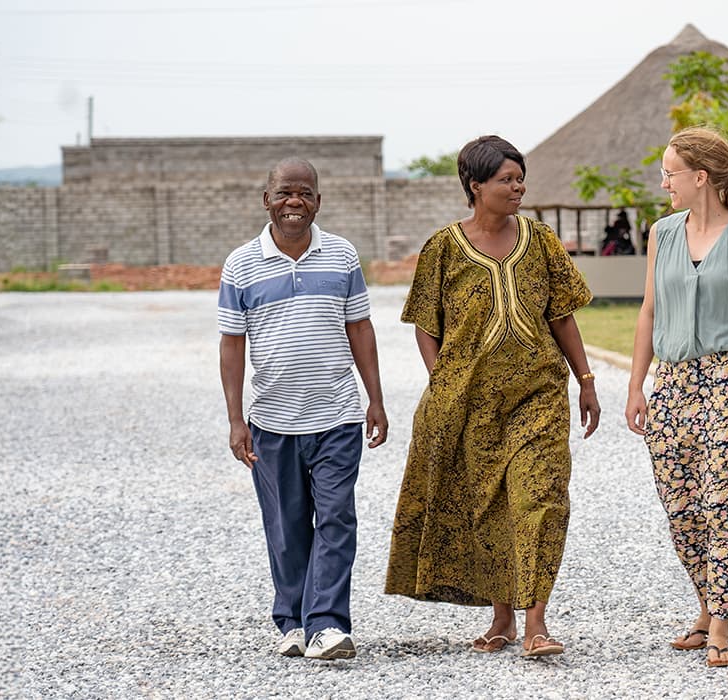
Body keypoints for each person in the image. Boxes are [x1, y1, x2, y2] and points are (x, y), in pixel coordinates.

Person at [386, 135, 600, 659]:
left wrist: (586, 380)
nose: (517, 187)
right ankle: (501, 617)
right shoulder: (443, 247)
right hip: (470, 404)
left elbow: (561, 314)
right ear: (475, 186)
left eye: (519, 177)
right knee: (488, 507)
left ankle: (536, 623)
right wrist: (444, 386)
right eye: (506, 179)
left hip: (538, 396)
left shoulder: (541, 240)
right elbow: (425, 325)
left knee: (539, 499)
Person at [624, 127, 728, 669]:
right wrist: (636, 384)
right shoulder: (661, 233)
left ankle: (720, 623)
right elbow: (649, 310)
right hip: (671, 383)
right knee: (683, 506)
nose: (663, 181)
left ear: (700, 178)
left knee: (725, 502)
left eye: (670, 172)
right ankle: (707, 602)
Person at [217, 158, 388, 661]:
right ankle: (292, 621)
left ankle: (328, 624)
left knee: (336, 517)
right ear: (266, 199)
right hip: (271, 421)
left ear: (318, 200)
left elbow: (360, 328)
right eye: (286, 192)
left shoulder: (342, 256)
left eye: (306, 193)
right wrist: (235, 419)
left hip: (336, 415)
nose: (296, 202)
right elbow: (232, 344)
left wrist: (374, 398)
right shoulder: (241, 264)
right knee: (287, 527)